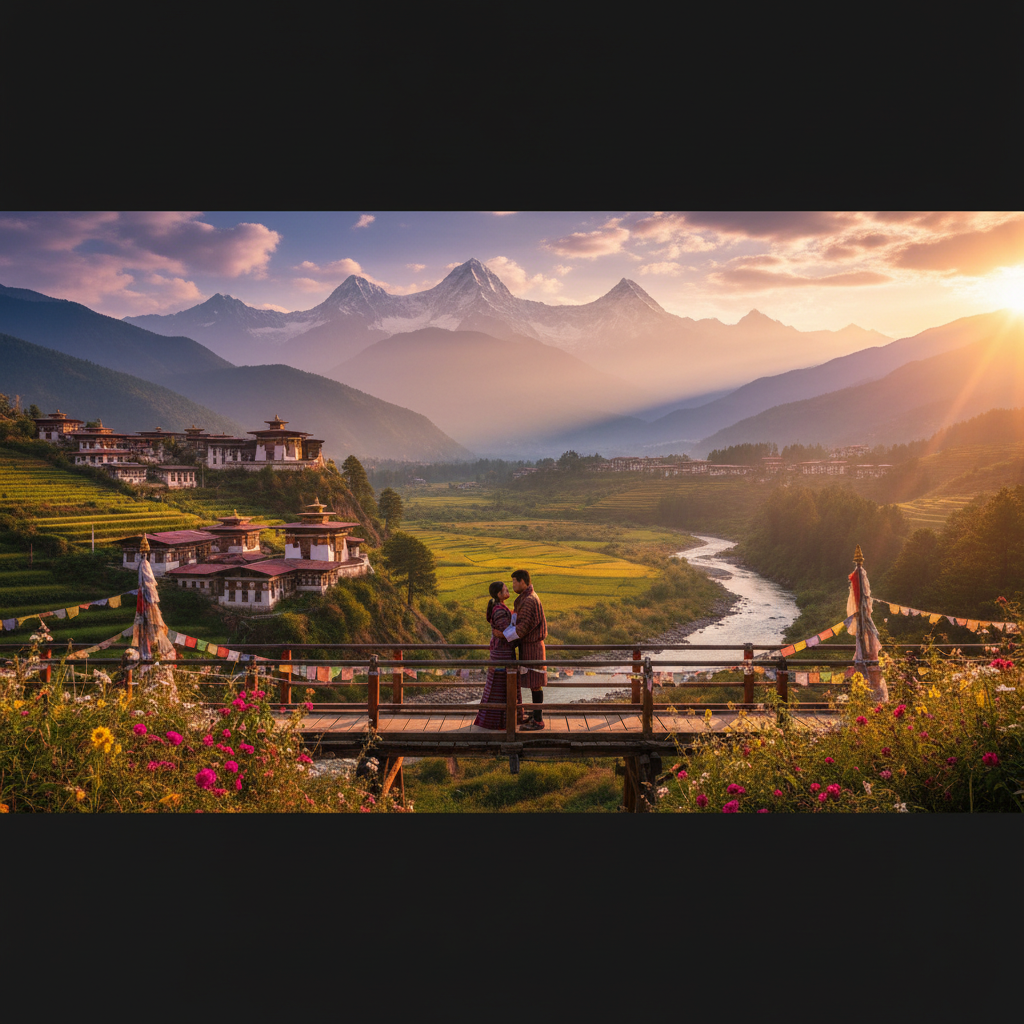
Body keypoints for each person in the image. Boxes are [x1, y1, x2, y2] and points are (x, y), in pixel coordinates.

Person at [474, 581, 523, 730]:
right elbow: (505, 633)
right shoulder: (499, 610)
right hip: (502, 652)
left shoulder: (499, 607)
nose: (508, 591)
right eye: (505, 590)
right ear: (499, 594)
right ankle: (501, 721)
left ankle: (503, 720)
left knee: (501, 683)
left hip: (500, 650)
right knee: (503, 684)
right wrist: (516, 632)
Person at [510, 568, 547, 730]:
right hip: (531, 646)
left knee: (535, 683)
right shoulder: (527, 598)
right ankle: (535, 714)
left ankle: (538, 721)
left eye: (514, 582)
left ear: (522, 581)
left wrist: (504, 637)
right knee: (534, 683)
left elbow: (522, 627)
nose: (512, 585)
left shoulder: (529, 600)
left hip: (533, 647)